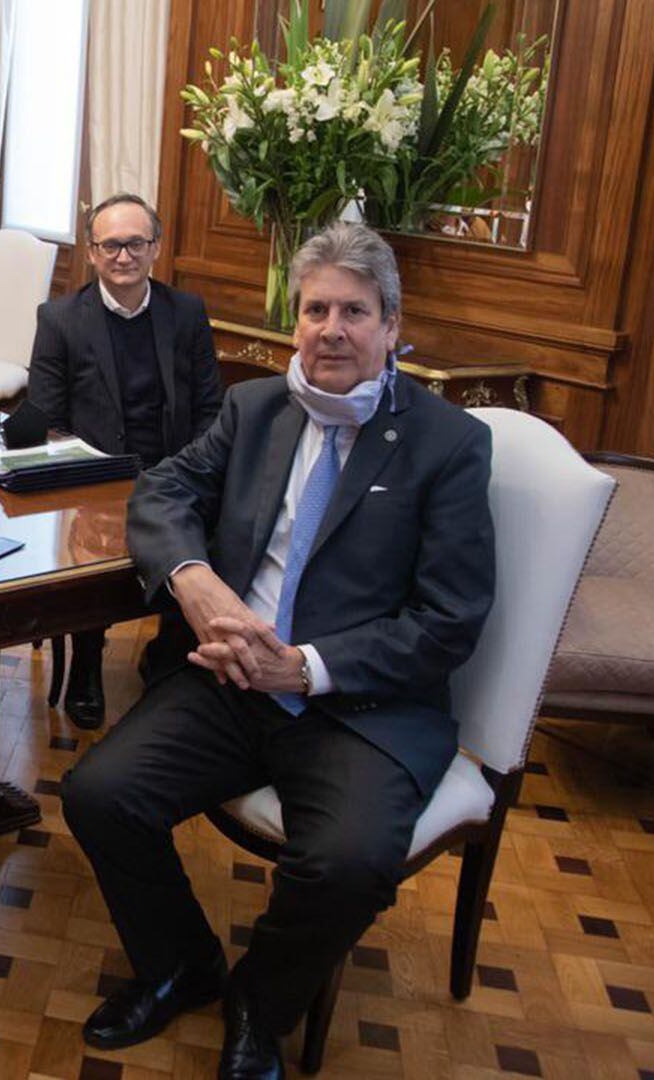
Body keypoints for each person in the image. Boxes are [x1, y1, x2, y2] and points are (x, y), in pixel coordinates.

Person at [61, 222, 495, 1078]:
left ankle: (261, 1004)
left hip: (359, 706)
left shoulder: (448, 445)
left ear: (392, 325)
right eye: (315, 309)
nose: (332, 328)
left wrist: (306, 667)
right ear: (294, 322)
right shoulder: (257, 408)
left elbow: (449, 619)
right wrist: (195, 581)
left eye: (355, 311)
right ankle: (183, 965)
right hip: (230, 681)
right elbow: (163, 488)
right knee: (99, 793)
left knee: (347, 864)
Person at [26, 193, 224, 729]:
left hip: (175, 469)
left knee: (218, 531)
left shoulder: (186, 313)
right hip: (96, 479)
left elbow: (210, 407)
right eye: (111, 244)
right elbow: (48, 418)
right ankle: (88, 661)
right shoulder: (62, 319)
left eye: (135, 243)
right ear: (91, 253)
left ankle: (167, 654)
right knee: (93, 547)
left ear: (155, 247)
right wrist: (95, 479)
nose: (123, 256)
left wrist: (192, 471)